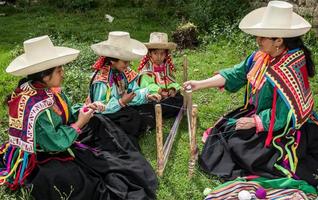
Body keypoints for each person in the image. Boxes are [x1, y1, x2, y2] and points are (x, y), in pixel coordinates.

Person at [0, 35, 157, 199]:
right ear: (45, 76)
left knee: (98, 122)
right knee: (81, 180)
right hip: (41, 156)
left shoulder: (46, 90)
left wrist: (85, 108)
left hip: (56, 140)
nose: (63, 74)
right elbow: (54, 144)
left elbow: (65, 113)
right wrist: (80, 123)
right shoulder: (36, 107)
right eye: (59, 70)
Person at [184, 1, 318, 188]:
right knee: (226, 129)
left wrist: (255, 122)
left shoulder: (289, 70)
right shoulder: (262, 57)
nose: (257, 40)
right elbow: (237, 74)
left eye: (262, 37)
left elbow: (284, 115)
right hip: (265, 115)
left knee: (238, 145)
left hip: (284, 127)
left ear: (279, 40)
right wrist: (200, 84)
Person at [87, 31, 161, 146]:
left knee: (147, 109)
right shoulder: (101, 79)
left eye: (128, 61)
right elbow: (99, 108)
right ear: (113, 60)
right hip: (107, 113)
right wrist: (121, 102)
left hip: (122, 107)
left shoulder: (124, 70)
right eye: (125, 61)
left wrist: (147, 96)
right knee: (131, 117)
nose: (128, 64)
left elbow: (134, 91)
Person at [138, 32, 183, 118]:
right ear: (150, 53)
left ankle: (165, 111)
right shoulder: (147, 69)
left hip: (167, 97)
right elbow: (146, 86)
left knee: (180, 98)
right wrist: (160, 91)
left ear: (166, 55)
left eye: (162, 54)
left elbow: (171, 81)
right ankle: (164, 111)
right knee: (155, 104)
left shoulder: (166, 67)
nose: (159, 57)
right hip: (155, 97)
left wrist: (172, 89)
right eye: (155, 53)